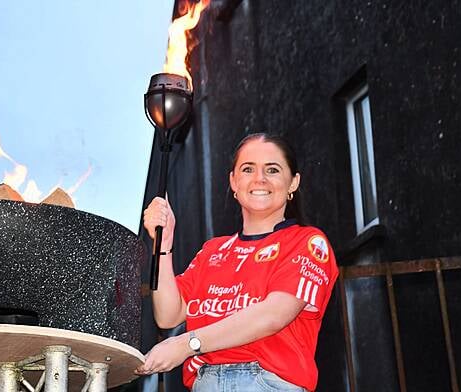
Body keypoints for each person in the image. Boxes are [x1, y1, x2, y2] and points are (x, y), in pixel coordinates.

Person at [135, 133, 339, 391]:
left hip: (268, 383)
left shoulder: (308, 242)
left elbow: (272, 315)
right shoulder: (213, 250)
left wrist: (187, 344)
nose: (260, 178)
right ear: (233, 181)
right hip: (204, 382)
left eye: (272, 169)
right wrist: (163, 245)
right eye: (248, 169)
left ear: (293, 183)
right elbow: (167, 315)